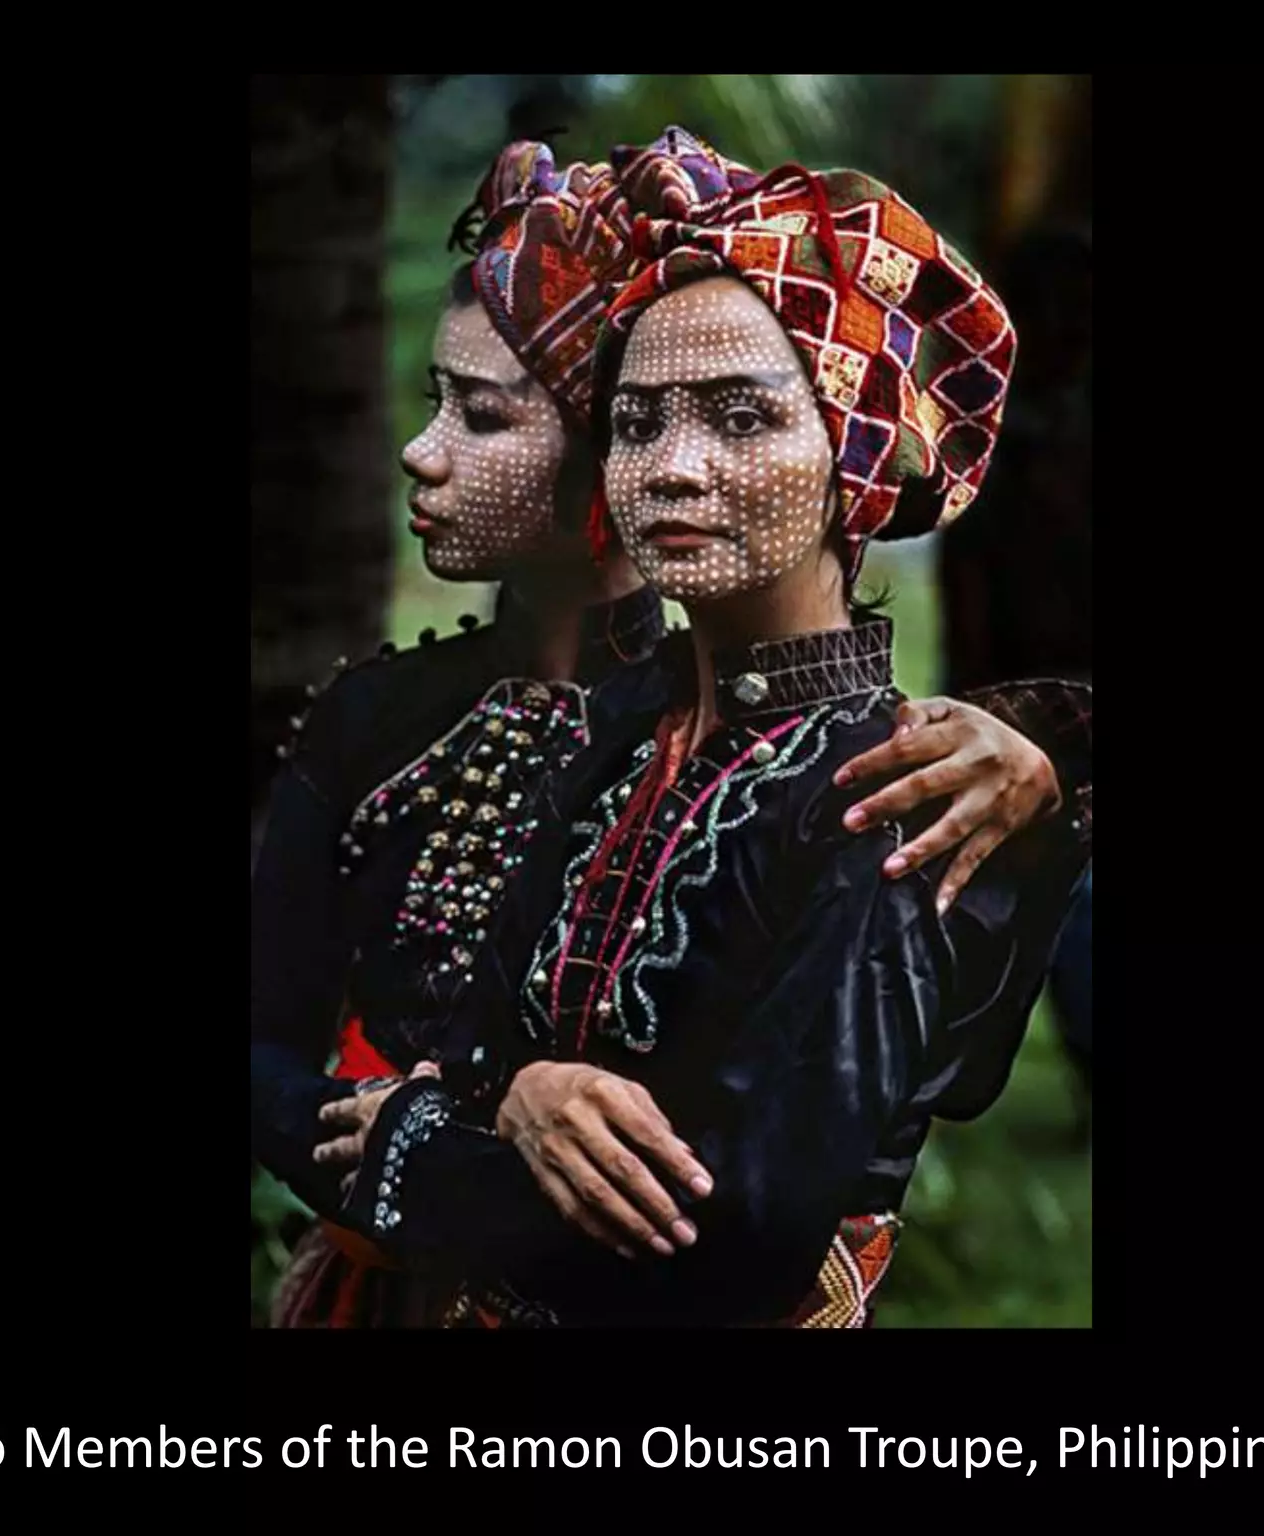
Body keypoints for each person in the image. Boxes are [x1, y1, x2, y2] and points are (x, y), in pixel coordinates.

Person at [253, 132, 1076, 1323]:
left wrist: (416, 1153)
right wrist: (517, 1090)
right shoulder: (617, 729)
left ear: (847, 452)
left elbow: (736, 1240)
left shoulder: (887, 789)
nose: (676, 469)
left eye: (742, 419)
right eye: (637, 425)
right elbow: (459, 1031)